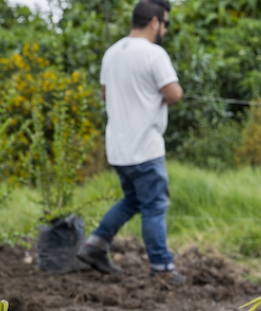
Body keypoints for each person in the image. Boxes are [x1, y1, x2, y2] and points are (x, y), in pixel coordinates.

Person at [76, 0, 185, 282]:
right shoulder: (154, 54)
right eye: (166, 23)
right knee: (154, 206)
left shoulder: (112, 53)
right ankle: (161, 267)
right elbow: (174, 94)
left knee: (132, 200)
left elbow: (105, 95)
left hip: (118, 147)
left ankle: (96, 245)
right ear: (154, 21)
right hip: (145, 146)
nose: (165, 29)